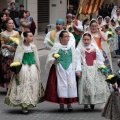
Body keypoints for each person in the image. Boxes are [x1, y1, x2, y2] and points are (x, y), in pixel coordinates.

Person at [4, 31, 44, 114]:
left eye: (32, 36)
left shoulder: (33, 46)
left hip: (32, 68)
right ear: (25, 38)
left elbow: (36, 58)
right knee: (24, 85)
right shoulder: (20, 47)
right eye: (30, 36)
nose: (32, 38)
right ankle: (24, 105)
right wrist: (17, 70)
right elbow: (17, 59)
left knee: (32, 85)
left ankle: (30, 102)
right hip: (23, 69)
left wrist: (38, 68)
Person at [76, 32, 110, 110]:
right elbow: (77, 60)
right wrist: (78, 70)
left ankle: (92, 101)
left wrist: (102, 67)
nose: (86, 41)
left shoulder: (94, 48)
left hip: (94, 69)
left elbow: (99, 59)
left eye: (88, 39)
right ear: (82, 40)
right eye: (84, 39)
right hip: (85, 69)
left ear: (91, 40)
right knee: (85, 87)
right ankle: (85, 103)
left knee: (93, 86)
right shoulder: (79, 49)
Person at [45, 30, 77, 112]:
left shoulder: (71, 47)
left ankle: (69, 104)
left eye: (68, 36)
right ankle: (61, 104)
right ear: (61, 38)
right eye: (66, 37)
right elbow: (50, 57)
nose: (67, 38)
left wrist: (76, 68)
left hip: (70, 68)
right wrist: (53, 61)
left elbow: (75, 58)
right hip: (60, 68)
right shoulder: (56, 47)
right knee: (61, 85)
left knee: (70, 85)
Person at [0, 18, 20, 89]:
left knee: (13, 70)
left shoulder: (16, 33)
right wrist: (6, 46)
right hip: (5, 55)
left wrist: (14, 48)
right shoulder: (2, 34)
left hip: (14, 55)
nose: (11, 24)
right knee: (5, 70)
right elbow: (2, 44)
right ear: (6, 24)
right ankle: (7, 86)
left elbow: (19, 44)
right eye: (9, 23)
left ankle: (13, 86)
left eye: (12, 23)